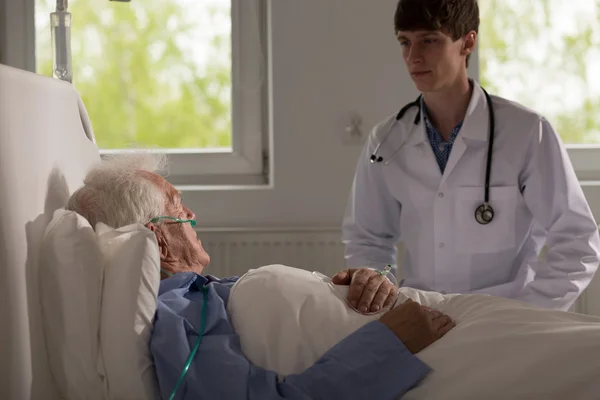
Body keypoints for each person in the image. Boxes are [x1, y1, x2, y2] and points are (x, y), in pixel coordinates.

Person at [67, 153, 455, 400]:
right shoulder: (178, 318)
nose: (191, 216)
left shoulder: (206, 294)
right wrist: (390, 342)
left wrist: (358, 283)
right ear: (160, 244)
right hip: (428, 352)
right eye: (178, 207)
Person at [337, 0, 600, 314]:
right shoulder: (387, 140)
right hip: (422, 317)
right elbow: (368, 239)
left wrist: (531, 313)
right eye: (405, 42)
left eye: (429, 40)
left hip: (505, 316)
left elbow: (577, 240)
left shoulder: (527, 132)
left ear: (468, 42)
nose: (413, 57)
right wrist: (378, 280)